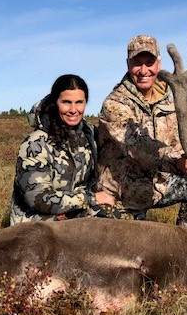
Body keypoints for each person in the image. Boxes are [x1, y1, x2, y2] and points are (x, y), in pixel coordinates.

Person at [97, 35, 187, 227]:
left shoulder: (167, 102)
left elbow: (176, 147)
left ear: (158, 64)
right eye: (137, 63)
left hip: (158, 186)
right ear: (127, 64)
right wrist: (178, 163)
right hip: (123, 195)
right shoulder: (114, 104)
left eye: (149, 63)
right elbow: (139, 147)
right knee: (135, 253)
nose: (143, 71)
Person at [10, 74, 115, 225]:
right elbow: (38, 199)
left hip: (73, 212)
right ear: (55, 102)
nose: (73, 110)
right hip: (37, 221)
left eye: (79, 102)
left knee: (116, 217)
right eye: (66, 102)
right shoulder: (35, 144)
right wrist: (91, 199)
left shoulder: (90, 134)